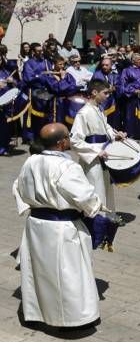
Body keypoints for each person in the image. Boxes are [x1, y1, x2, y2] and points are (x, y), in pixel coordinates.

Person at [13, 123, 103, 328]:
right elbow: (85, 196)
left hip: (35, 225)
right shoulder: (67, 167)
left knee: (41, 273)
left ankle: (39, 313)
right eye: (68, 137)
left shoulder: (30, 162)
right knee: (68, 274)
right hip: (62, 227)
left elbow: (18, 188)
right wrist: (96, 208)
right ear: (62, 143)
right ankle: (72, 319)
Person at [69, 79, 127, 223]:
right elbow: (75, 140)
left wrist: (115, 135)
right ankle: (95, 221)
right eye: (105, 93)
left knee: (106, 187)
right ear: (94, 92)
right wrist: (96, 151)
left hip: (104, 154)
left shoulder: (99, 109)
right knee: (95, 188)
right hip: (93, 158)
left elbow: (105, 127)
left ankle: (107, 217)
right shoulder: (84, 113)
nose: (107, 96)